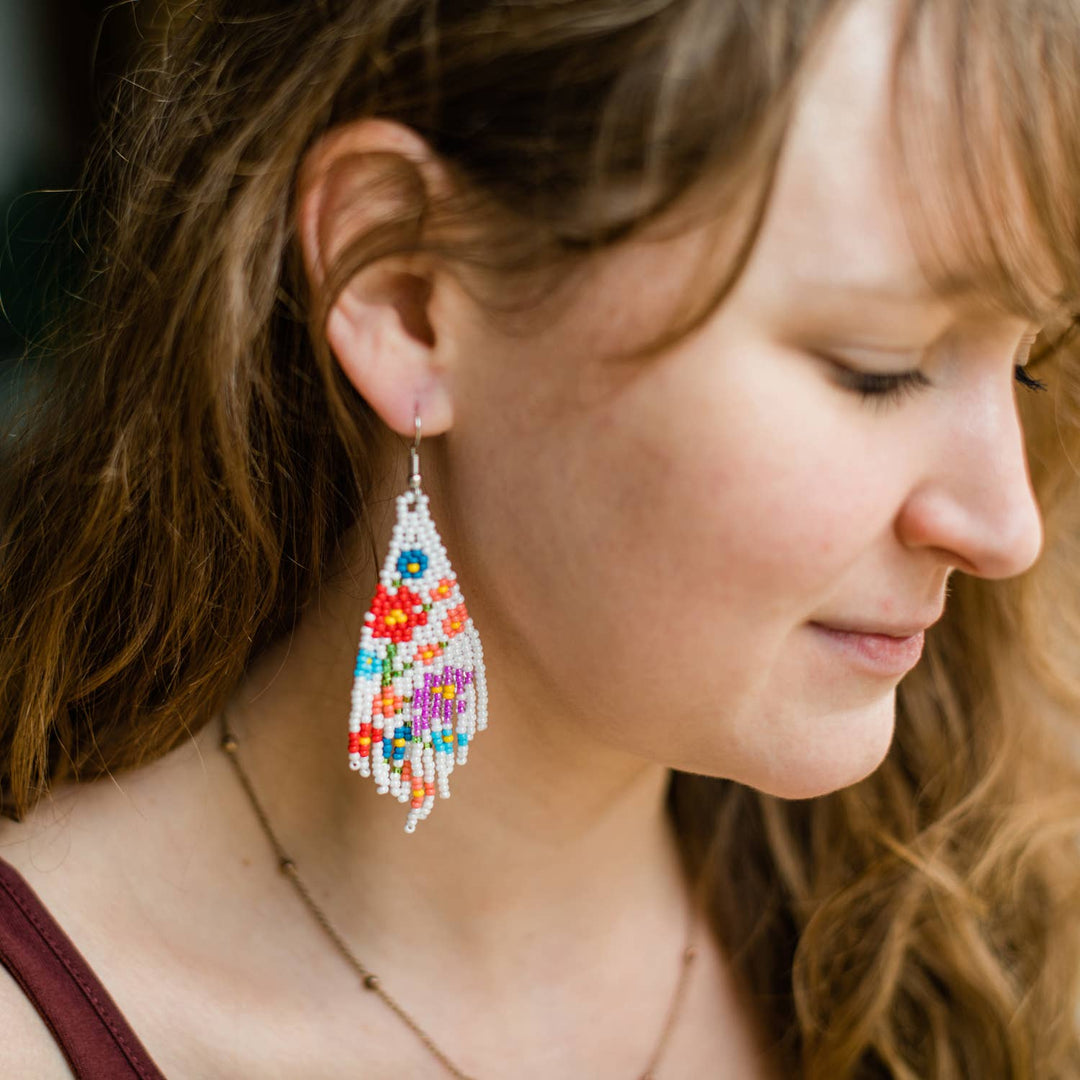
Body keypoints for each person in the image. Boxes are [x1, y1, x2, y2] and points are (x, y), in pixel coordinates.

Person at [1, 0, 1078, 1076]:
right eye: (878, 367)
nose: (1006, 529)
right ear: (408, 295)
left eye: (1025, 363)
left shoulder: (992, 938)